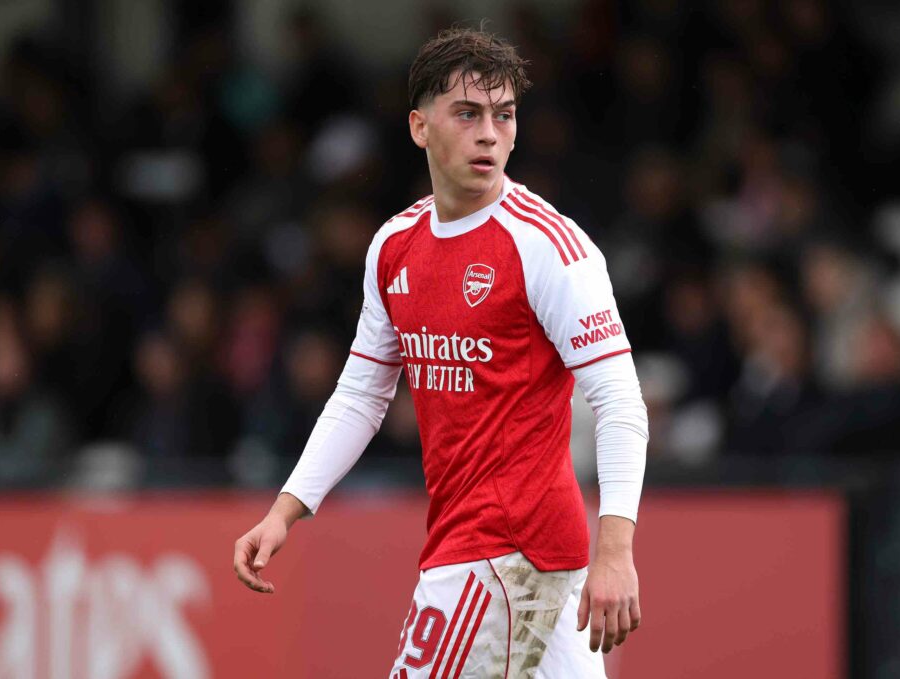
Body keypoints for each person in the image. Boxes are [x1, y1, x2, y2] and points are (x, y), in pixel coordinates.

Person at [233, 27, 648, 676]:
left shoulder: (549, 248)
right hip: (501, 545)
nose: (490, 133)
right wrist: (287, 509)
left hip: (505, 547)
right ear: (420, 127)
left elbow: (620, 400)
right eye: (467, 113)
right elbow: (362, 394)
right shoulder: (394, 247)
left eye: (503, 115)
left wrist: (617, 550)